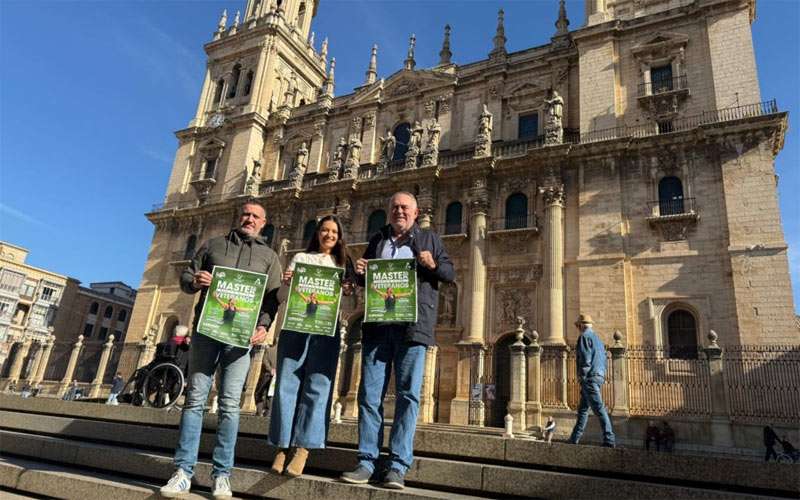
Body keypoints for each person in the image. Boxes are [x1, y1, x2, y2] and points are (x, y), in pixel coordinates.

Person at [160, 199, 282, 499]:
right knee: (195, 400)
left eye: (255, 216)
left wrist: (264, 325)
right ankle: (183, 471)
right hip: (208, 330)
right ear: (237, 217)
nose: (249, 219)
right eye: (245, 214)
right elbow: (187, 277)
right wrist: (196, 281)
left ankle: (222, 474)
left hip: (240, 339)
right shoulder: (213, 245)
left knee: (229, 405)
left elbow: (272, 298)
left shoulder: (269, 257)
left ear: (263, 223)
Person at [340, 192, 455, 490]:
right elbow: (366, 279)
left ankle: (398, 466)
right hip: (378, 326)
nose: (399, 211)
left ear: (416, 213)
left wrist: (431, 264)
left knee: (408, 396)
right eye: (394, 207)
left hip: (412, 328)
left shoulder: (430, 240)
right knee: (369, 395)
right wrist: (361, 273)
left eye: (405, 207)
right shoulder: (378, 240)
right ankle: (367, 461)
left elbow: (449, 273)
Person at [268, 215, 355, 477]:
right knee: (286, 387)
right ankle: (282, 446)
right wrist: (286, 282)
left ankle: (304, 448)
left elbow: (349, 308)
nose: (329, 235)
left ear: (339, 238)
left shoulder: (342, 265)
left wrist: (349, 291)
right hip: (295, 328)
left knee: (318, 388)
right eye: (324, 230)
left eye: (334, 232)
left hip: (325, 332)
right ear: (316, 233)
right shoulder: (300, 259)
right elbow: (282, 298)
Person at [567, 314, 616, 448]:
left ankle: (609, 439)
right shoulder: (598, 340)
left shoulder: (584, 337)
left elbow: (585, 358)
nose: (578, 328)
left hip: (589, 377)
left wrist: (582, 376)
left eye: (578, 326)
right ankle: (574, 438)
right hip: (598, 376)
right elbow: (603, 359)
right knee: (583, 410)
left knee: (599, 408)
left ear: (582, 325)